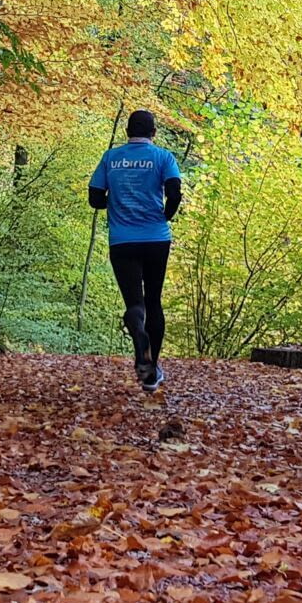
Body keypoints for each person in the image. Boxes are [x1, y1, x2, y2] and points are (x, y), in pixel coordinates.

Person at [88, 109, 181, 393]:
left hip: (122, 239)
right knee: (154, 301)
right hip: (156, 238)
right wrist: (164, 215)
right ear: (154, 133)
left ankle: (137, 331)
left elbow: (94, 198)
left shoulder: (111, 158)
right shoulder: (164, 157)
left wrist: (114, 205)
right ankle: (151, 372)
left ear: (128, 131)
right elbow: (175, 192)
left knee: (136, 304)